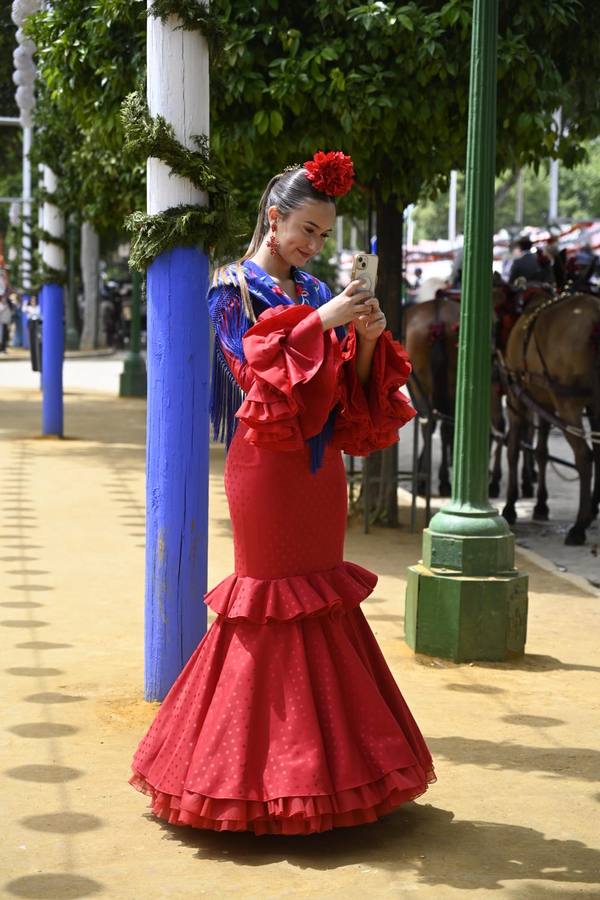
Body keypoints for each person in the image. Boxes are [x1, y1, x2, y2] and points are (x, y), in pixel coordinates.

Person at [129, 151, 435, 835]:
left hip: (319, 470)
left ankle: (330, 774)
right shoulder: (230, 287)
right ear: (275, 218)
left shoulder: (315, 289)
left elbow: (347, 392)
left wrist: (365, 339)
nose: (314, 244)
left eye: (323, 234)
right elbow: (251, 371)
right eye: (306, 230)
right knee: (266, 603)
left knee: (323, 596)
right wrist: (324, 319)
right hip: (265, 469)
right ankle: (242, 781)